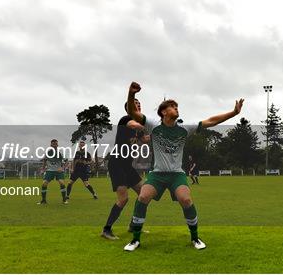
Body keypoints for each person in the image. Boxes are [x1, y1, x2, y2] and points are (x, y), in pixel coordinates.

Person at [124, 81, 244, 251]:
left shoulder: (185, 127)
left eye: (177, 106)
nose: (176, 108)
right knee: (143, 197)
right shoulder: (152, 125)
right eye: (172, 106)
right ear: (164, 112)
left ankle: (195, 238)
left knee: (186, 200)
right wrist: (131, 94)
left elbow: (211, 121)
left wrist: (234, 112)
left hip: (176, 174)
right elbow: (133, 112)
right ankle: (135, 240)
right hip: (157, 174)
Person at [101, 98, 149, 240]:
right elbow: (135, 125)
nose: (139, 106)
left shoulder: (138, 126)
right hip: (116, 164)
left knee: (144, 194)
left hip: (128, 165)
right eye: (135, 105)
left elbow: (145, 139)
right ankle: (106, 230)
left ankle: (133, 225)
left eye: (140, 104)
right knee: (123, 199)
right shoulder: (126, 120)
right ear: (129, 108)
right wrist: (149, 123)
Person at [38, 139, 68, 205]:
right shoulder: (48, 152)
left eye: (56, 144)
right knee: (44, 184)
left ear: (57, 145)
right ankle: (43, 200)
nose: (55, 145)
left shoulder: (60, 152)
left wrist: (62, 168)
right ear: (51, 145)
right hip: (50, 171)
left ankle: (64, 199)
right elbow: (45, 161)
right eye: (53, 144)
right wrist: (43, 169)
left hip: (58, 171)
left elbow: (66, 161)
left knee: (61, 183)